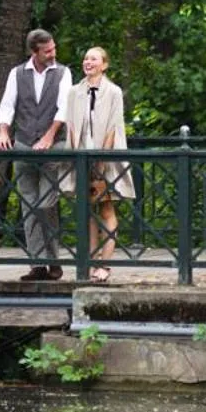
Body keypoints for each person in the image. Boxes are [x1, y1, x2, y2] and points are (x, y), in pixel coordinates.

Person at [0, 28, 71, 280]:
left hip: (54, 146)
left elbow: (64, 110)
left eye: (53, 48)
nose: (53, 53)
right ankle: (37, 264)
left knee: (46, 202)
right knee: (28, 204)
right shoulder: (17, 74)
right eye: (48, 50)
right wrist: (4, 133)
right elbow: (7, 106)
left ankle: (54, 261)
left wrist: (49, 137)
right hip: (25, 144)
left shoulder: (63, 73)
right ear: (34, 52)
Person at [66, 46, 133, 282]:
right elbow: (72, 127)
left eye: (93, 58)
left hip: (106, 160)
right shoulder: (74, 92)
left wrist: (101, 162)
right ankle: (89, 262)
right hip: (81, 158)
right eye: (85, 58)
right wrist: (76, 158)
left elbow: (114, 128)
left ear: (104, 64)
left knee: (106, 209)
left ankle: (105, 264)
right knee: (85, 212)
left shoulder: (113, 92)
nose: (88, 62)